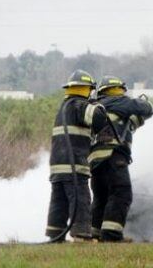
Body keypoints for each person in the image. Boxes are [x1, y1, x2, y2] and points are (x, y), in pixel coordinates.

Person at [89, 75, 153, 242]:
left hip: (95, 161)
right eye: (118, 90)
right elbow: (143, 107)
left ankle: (94, 234)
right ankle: (111, 236)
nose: (120, 93)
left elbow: (125, 124)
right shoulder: (118, 102)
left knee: (101, 197)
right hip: (113, 155)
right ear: (114, 91)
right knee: (121, 193)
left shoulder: (97, 107)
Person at [46, 69, 107, 242]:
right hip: (74, 165)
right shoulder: (80, 106)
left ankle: (54, 235)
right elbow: (98, 118)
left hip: (58, 166)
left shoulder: (64, 108)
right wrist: (98, 105)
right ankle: (81, 236)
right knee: (81, 200)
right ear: (88, 89)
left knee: (59, 203)